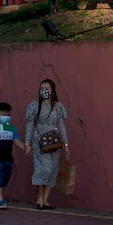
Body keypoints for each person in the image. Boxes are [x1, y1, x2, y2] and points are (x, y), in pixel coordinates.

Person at [24, 79, 69, 210]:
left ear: (52, 90)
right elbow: (30, 124)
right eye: (42, 88)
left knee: (53, 170)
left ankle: (45, 200)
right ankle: (39, 197)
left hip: (54, 142)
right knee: (44, 169)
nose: (44, 90)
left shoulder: (57, 106)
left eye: (47, 88)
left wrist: (66, 145)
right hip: (39, 141)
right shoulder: (34, 106)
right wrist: (27, 143)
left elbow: (61, 126)